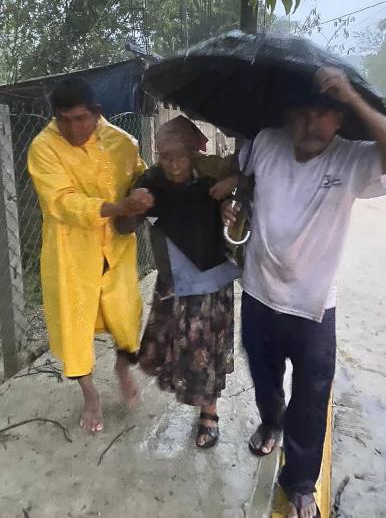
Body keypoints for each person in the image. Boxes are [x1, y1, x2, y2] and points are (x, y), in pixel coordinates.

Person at [222, 67, 386, 518]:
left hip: (314, 308)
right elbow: (246, 182)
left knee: (312, 398)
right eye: (301, 114)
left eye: (323, 114)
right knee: (265, 377)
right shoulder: (265, 142)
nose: (310, 124)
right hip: (258, 294)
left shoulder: (353, 159)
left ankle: (299, 484)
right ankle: (271, 422)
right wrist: (234, 200)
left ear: (338, 119)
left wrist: (352, 96)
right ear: (287, 116)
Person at [28, 78, 154, 433]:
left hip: (116, 249)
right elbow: (61, 202)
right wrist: (118, 206)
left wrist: (145, 196)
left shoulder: (122, 142)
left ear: (97, 113)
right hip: (70, 254)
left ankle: (122, 368)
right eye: (63, 119)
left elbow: (141, 177)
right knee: (73, 325)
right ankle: (90, 395)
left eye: (80, 118)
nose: (71, 128)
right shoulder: (43, 147)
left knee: (126, 316)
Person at [116, 116, 240, 448]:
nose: (172, 165)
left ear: (192, 151)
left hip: (211, 277)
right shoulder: (151, 181)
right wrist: (132, 206)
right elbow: (124, 228)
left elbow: (251, 185)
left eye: (179, 155)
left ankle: (209, 413)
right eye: (164, 156)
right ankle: (186, 392)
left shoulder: (212, 173)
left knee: (206, 350)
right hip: (173, 279)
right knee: (172, 347)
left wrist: (230, 200)